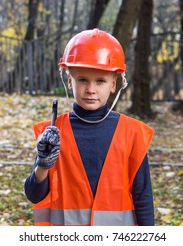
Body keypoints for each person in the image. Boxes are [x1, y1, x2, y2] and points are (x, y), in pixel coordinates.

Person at [24, 29, 155, 226]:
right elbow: (34, 195)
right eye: (82, 79)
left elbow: (142, 195)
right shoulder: (53, 133)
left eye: (100, 81)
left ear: (113, 84)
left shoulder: (131, 133)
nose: (91, 89)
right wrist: (43, 166)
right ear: (69, 81)